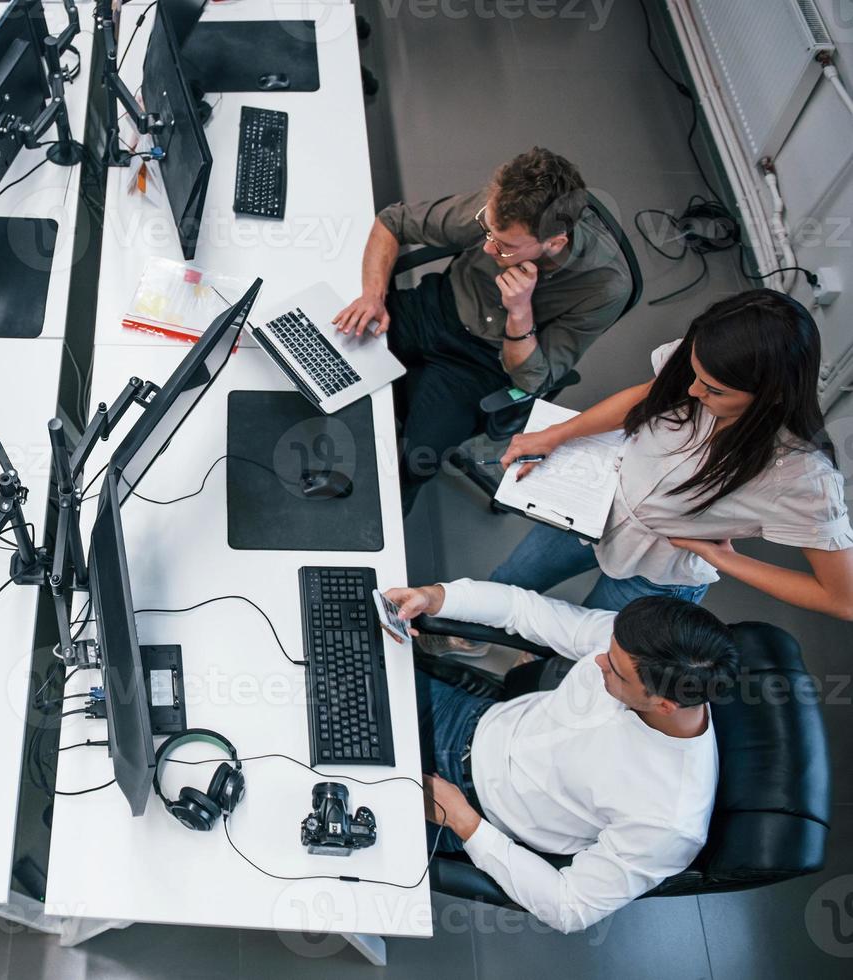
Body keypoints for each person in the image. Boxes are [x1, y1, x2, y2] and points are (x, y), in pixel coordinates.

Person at [389, 578, 738, 934]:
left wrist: (464, 821)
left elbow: (569, 908)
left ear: (664, 705)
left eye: (614, 670)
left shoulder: (669, 822)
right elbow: (525, 608)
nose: (599, 659)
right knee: (341, 661)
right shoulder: (636, 647)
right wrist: (435, 597)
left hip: (467, 803)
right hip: (467, 716)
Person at [493, 289, 853, 619]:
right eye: (694, 375)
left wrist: (722, 559)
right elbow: (650, 395)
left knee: (584, 642)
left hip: (656, 572)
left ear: (773, 395)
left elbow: (841, 599)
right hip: (593, 508)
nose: (693, 390)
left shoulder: (803, 477)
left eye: (713, 390)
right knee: (507, 581)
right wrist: (557, 434)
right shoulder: (707, 366)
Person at [334, 148, 632, 514]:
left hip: (484, 365)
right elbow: (392, 222)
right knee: (330, 354)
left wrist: (520, 311)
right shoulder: (499, 209)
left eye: (505, 247)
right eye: (487, 231)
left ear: (554, 243)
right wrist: (373, 295)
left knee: (415, 461)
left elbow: (533, 378)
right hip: (437, 308)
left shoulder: (603, 288)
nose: (488, 246)